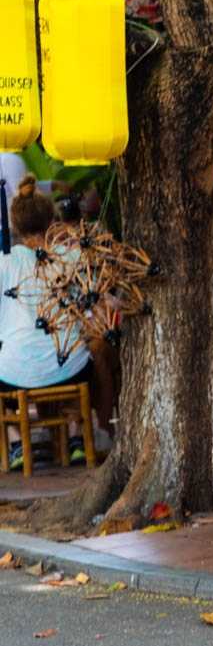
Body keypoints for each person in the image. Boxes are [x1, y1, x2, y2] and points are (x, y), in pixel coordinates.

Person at [0, 179, 91, 469]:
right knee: (86, 358)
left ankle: (16, 444)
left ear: (14, 226)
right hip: (72, 366)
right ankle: (75, 437)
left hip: (15, 372)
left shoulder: (4, 263)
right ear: (51, 221)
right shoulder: (71, 255)